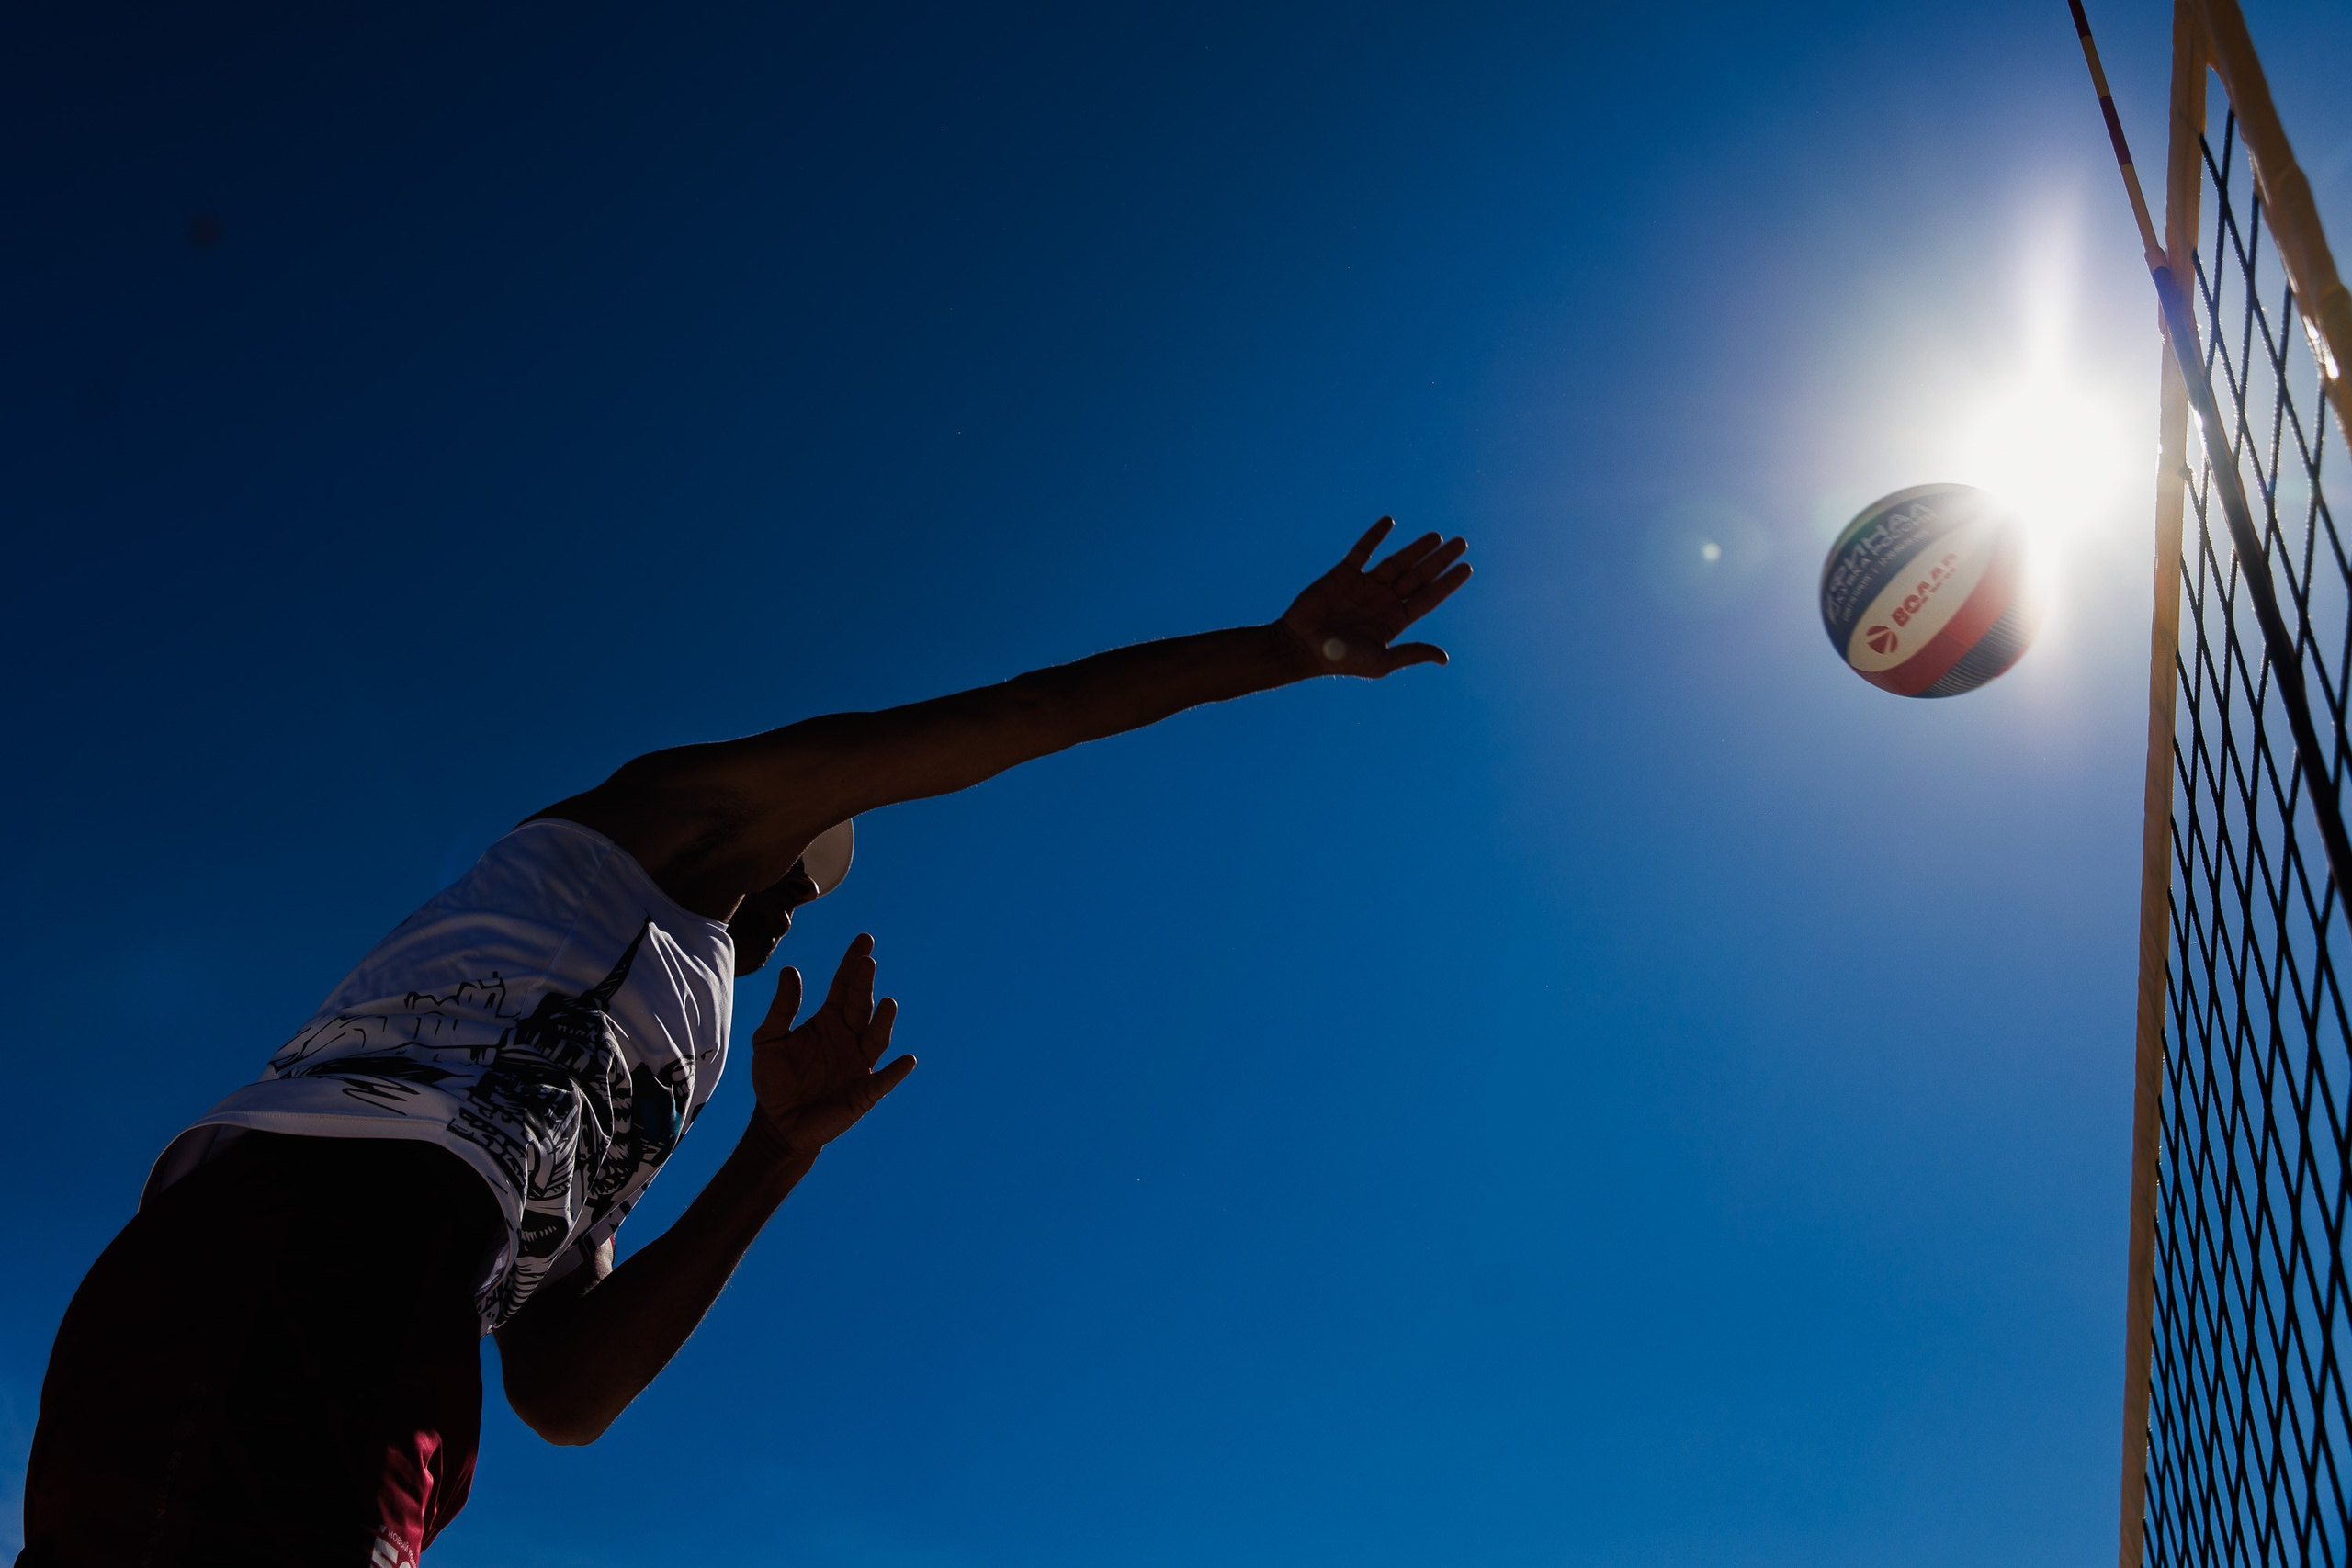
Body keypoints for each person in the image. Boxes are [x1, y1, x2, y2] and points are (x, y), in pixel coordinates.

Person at [15, 519, 1472, 1568]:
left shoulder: (683, 1029)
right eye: (792, 871)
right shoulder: (641, 829)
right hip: (303, 1237)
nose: (782, 908)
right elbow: (1004, 722)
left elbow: (562, 1390)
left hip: (414, 1342)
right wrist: (1272, 652)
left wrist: (777, 1149)